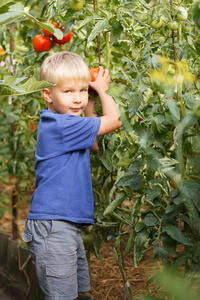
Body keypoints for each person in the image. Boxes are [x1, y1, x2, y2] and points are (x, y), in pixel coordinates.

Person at [22, 51, 121, 300]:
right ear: (47, 94)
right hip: (54, 226)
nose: (77, 99)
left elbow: (94, 145)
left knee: (67, 293)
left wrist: (90, 100)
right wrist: (102, 89)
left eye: (82, 91)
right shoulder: (63, 125)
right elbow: (114, 120)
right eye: (68, 92)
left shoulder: (60, 121)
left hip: (62, 224)